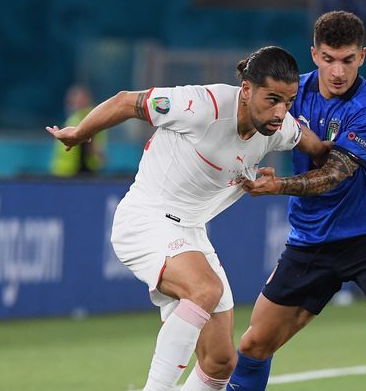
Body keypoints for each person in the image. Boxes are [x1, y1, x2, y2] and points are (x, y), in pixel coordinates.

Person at [46, 46, 329, 391]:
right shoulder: (201, 105)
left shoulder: (278, 125)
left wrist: (330, 153)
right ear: (246, 90)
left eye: (288, 101)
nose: (280, 111)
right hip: (145, 219)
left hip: (191, 233)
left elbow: (307, 141)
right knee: (204, 289)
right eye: (272, 99)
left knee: (221, 362)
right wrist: (78, 134)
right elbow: (125, 101)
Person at [229, 11, 366, 391]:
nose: (338, 71)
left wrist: (277, 185)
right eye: (329, 59)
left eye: (348, 60)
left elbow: (333, 175)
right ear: (315, 54)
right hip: (311, 241)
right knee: (254, 344)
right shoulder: (290, 93)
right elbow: (244, 112)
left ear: (362, 56)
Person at [50, 84, 107, 177]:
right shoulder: (76, 117)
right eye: (71, 101)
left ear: (87, 100)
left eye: (78, 100)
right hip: (66, 171)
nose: (73, 104)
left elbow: (96, 150)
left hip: (80, 173)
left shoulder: (91, 118)